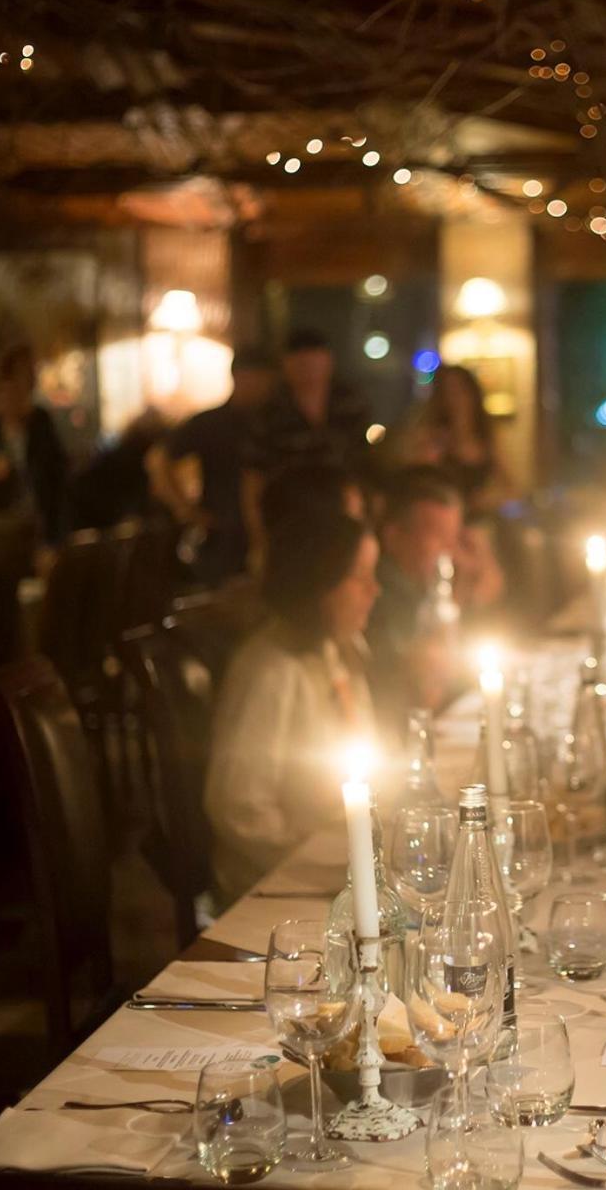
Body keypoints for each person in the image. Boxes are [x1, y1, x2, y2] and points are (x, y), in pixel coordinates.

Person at [205, 508, 379, 902]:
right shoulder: (272, 671)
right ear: (319, 583)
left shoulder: (340, 650)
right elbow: (239, 807)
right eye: (361, 577)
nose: (375, 591)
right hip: (278, 886)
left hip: (339, 865)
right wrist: (315, 864)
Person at [243, 329, 373, 569]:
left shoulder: (349, 403)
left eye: (314, 361)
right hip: (289, 521)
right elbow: (253, 478)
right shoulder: (270, 412)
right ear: (286, 365)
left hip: (343, 517)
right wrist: (258, 538)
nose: (308, 369)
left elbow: (364, 463)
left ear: (328, 361)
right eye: (300, 362)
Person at [147, 347, 273, 585]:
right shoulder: (213, 423)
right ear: (238, 376)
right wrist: (184, 508)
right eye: (256, 377)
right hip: (224, 535)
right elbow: (158, 459)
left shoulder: (274, 422)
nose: (262, 386)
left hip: (268, 533)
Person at [367, 469, 465, 737]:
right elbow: (408, 691)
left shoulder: (431, 590)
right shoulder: (378, 599)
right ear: (394, 536)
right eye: (438, 537)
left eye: (453, 538)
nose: (450, 552)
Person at [0, 344, 69, 545]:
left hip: (41, 524)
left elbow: (59, 474)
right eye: (7, 390)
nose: (13, 397)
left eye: (20, 387)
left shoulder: (40, 422)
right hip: (1, 527)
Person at [396, 364, 511, 510]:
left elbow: (510, 486)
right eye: (448, 392)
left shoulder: (487, 437)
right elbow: (415, 481)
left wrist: (487, 499)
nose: (455, 399)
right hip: (441, 517)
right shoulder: (431, 436)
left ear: (472, 394)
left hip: (477, 522)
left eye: (460, 391)